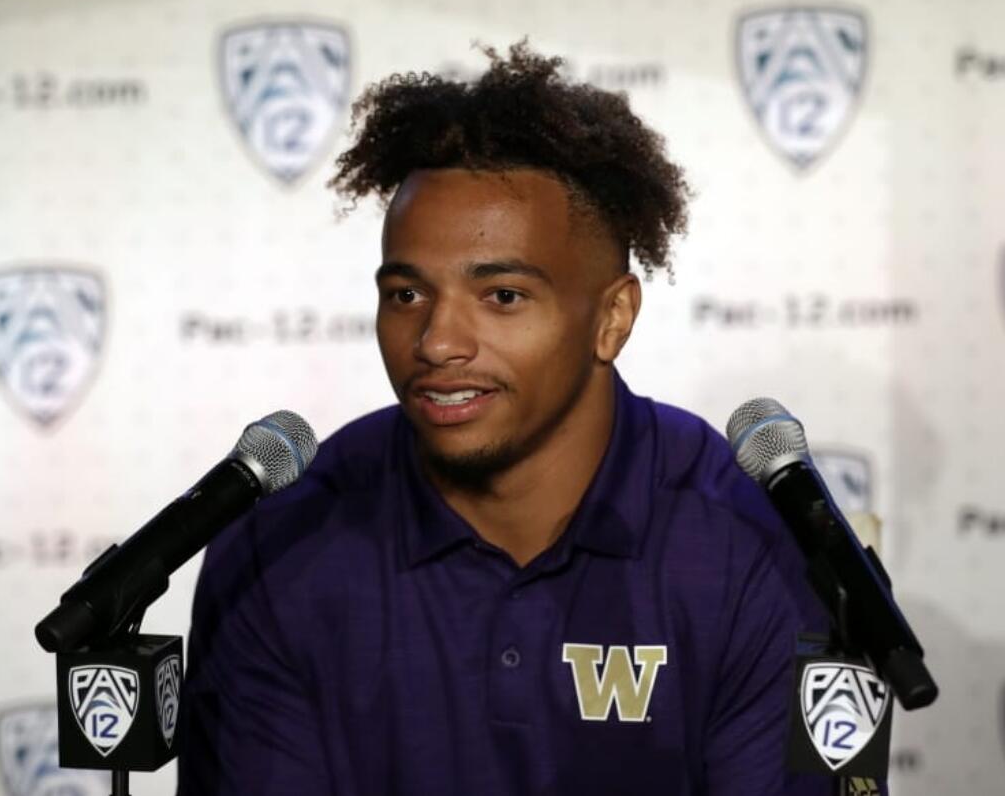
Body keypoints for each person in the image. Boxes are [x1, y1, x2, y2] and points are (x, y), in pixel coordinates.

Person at [178, 43, 875, 795]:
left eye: (502, 296)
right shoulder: (282, 539)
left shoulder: (751, 542)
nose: (437, 342)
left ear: (612, 318)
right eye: (407, 295)